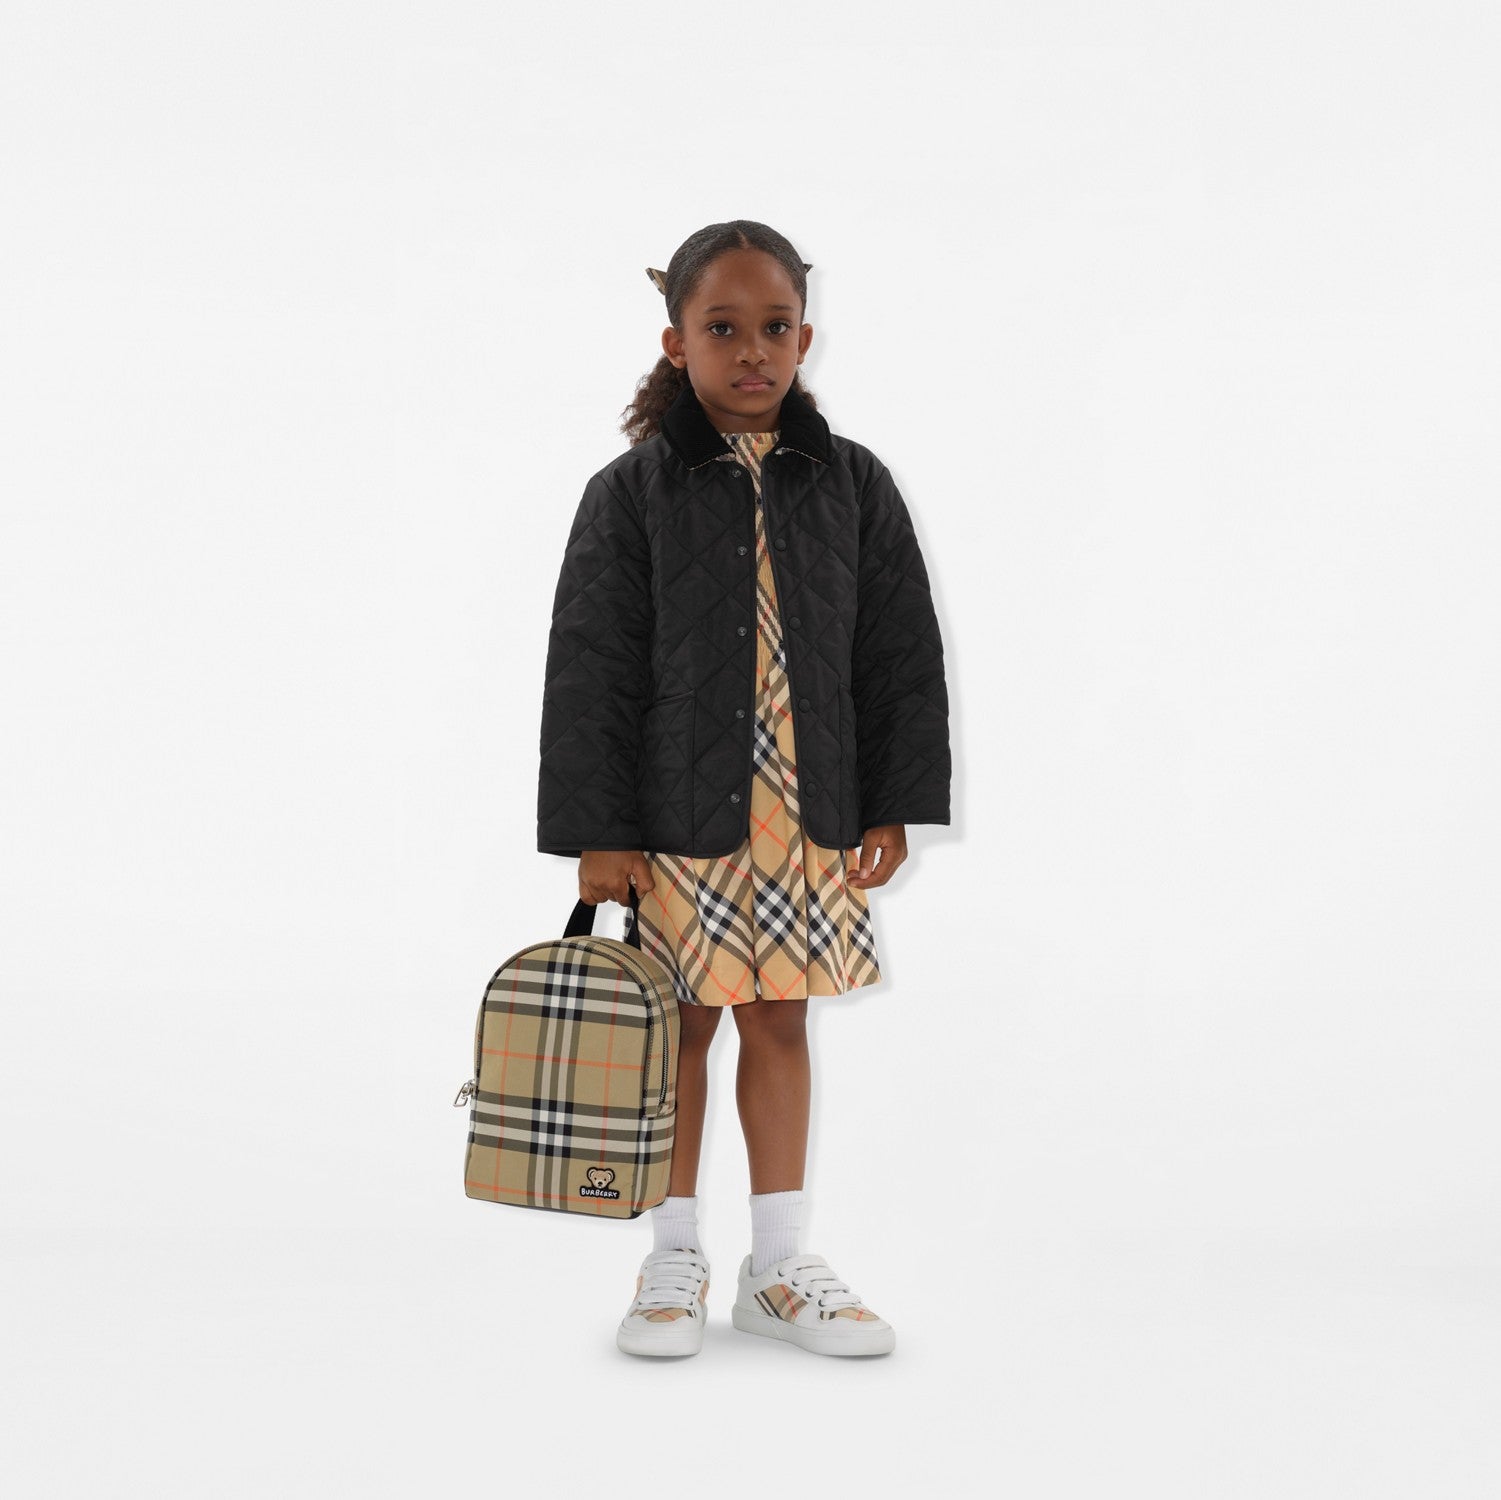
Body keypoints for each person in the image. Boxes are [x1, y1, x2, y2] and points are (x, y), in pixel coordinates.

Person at [536, 220, 951, 1358]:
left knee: (779, 1019)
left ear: (805, 338)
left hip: (806, 813)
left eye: (775, 327)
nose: (752, 350)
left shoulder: (854, 483)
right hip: (678, 818)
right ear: (676, 342)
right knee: (678, 1026)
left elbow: (898, 655)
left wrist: (891, 800)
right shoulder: (629, 493)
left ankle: (777, 1266)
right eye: (722, 328)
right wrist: (599, 832)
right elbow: (591, 670)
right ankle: (672, 1257)